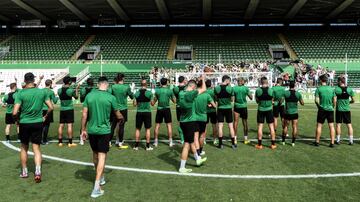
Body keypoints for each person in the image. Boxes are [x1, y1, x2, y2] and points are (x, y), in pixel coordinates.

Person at [81, 76, 124, 198]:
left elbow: (84, 114)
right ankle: (96, 187)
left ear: (98, 84)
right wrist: (122, 118)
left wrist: (83, 129)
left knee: (95, 154)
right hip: (104, 131)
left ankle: (101, 178)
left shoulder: (90, 96)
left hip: (92, 130)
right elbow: (117, 114)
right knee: (102, 157)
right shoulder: (111, 97)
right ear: (107, 85)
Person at [13, 72, 53, 183]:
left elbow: (15, 111)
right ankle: (38, 172)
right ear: (34, 80)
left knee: (24, 147)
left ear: (25, 81)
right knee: (36, 148)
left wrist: (17, 120)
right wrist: (45, 117)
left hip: (24, 123)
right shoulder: (41, 92)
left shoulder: (20, 93)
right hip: (37, 122)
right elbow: (51, 107)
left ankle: (24, 172)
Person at [178, 77, 207, 173]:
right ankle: (182, 167)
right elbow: (204, 89)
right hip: (189, 122)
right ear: (193, 87)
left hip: (183, 121)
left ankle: (197, 159)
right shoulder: (191, 94)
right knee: (187, 145)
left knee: (191, 142)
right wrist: (203, 78)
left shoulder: (181, 93)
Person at [109, 73, 134, 149]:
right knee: (121, 126)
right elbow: (132, 97)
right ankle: (120, 142)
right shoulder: (126, 87)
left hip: (114, 108)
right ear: (123, 78)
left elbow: (109, 96)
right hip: (123, 109)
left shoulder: (113, 87)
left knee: (112, 126)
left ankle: (108, 142)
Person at [194, 80, 216, 156]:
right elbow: (214, 106)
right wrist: (209, 105)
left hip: (195, 117)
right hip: (203, 117)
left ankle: (196, 152)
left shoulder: (194, 94)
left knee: (196, 136)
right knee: (202, 135)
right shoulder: (207, 95)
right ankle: (199, 151)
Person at [152, 78, 176, 147]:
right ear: (167, 83)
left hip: (159, 109)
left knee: (157, 125)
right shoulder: (170, 91)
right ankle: (170, 142)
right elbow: (174, 101)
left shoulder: (157, 91)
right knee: (169, 125)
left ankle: (155, 142)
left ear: (160, 83)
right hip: (167, 109)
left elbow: (153, 103)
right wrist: (171, 97)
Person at [214, 75, 236, 149]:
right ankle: (233, 144)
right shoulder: (230, 88)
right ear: (226, 80)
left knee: (220, 126)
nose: (230, 82)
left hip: (220, 108)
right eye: (229, 80)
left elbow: (216, 98)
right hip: (228, 108)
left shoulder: (216, 88)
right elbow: (232, 99)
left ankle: (221, 144)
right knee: (230, 126)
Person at [314, 74, 336, 147]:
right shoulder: (331, 89)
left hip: (322, 109)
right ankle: (332, 142)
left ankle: (317, 142)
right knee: (331, 126)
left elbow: (316, 101)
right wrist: (332, 106)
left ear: (321, 80)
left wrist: (319, 107)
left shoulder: (319, 89)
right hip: (330, 109)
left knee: (319, 126)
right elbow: (335, 100)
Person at [57, 76, 80, 147]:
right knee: (69, 125)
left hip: (62, 109)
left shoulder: (59, 90)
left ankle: (60, 142)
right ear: (69, 82)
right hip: (69, 109)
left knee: (61, 125)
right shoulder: (70, 90)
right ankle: (70, 143)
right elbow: (76, 97)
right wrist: (76, 89)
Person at [255, 77, 277, 149]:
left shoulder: (258, 91)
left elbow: (257, 101)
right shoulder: (271, 90)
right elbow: (272, 100)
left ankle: (259, 144)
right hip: (269, 110)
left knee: (260, 127)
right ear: (267, 82)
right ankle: (273, 144)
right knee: (271, 127)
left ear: (261, 82)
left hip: (261, 109)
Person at [133, 79, 153, 151]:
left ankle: (136, 146)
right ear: (146, 84)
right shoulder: (149, 93)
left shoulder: (136, 93)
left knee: (138, 129)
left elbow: (134, 104)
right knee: (147, 129)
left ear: (141, 84)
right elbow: (152, 104)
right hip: (147, 112)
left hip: (139, 112)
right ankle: (147, 146)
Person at [283, 81, 304, 146]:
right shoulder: (298, 94)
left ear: (289, 85)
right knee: (294, 127)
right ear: (294, 86)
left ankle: (283, 141)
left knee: (286, 126)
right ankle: (293, 142)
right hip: (295, 112)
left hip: (287, 112)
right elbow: (302, 103)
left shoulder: (285, 93)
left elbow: (281, 100)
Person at [334, 76, 355, 145]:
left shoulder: (336, 89)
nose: (337, 82)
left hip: (339, 110)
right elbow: (353, 100)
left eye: (338, 81)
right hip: (347, 110)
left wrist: (335, 104)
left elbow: (334, 100)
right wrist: (348, 102)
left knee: (338, 125)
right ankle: (351, 141)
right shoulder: (349, 89)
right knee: (349, 125)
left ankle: (338, 140)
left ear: (340, 82)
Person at [233, 78, 253, 144]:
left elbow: (232, 99)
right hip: (243, 107)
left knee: (235, 122)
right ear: (243, 82)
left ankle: (235, 139)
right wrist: (249, 93)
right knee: (245, 123)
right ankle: (245, 139)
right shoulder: (245, 88)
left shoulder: (234, 88)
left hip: (236, 106)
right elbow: (251, 97)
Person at [79, 78, 95, 145]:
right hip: (93, 108)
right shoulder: (95, 90)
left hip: (85, 107)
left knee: (83, 123)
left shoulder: (83, 89)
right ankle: (93, 138)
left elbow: (81, 99)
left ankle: (81, 139)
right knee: (94, 123)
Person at [42, 79, 58, 145]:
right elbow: (55, 101)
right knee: (46, 125)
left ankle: (39, 139)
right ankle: (44, 140)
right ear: (50, 84)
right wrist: (56, 96)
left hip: (40, 109)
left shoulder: (41, 91)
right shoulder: (51, 92)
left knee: (41, 125)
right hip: (48, 109)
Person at [173, 76, 187, 144]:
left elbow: (174, 98)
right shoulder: (186, 88)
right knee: (186, 121)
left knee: (180, 123)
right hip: (185, 106)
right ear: (183, 80)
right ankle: (186, 137)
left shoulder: (175, 88)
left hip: (178, 106)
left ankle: (182, 139)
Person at [205, 80, 218, 145]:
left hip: (205, 110)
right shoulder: (213, 92)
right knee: (214, 125)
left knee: (205, 126)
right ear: (211, 85)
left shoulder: (204, 92)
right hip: (212, 110)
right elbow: (216, 100)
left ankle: (203, 139)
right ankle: (214, 139)